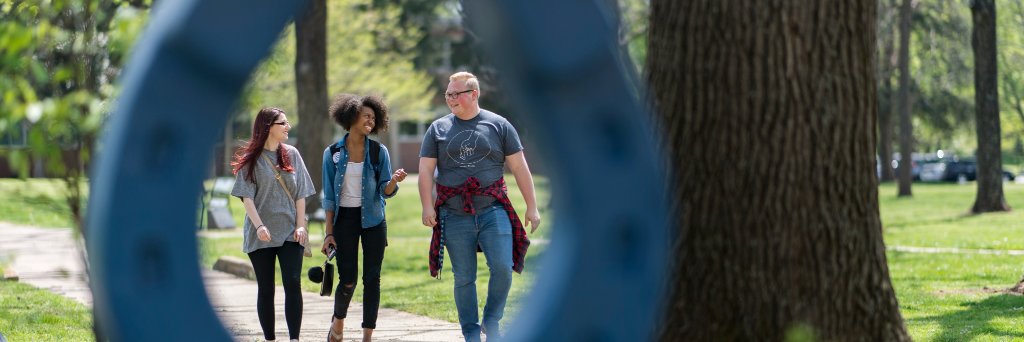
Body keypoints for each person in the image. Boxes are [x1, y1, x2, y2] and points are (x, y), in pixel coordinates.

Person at [419, 72, 541, 342]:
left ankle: (492, 320)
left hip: (492, 209)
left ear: (474, 94)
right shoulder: (437, 129)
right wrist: (428, 207)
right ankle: (471, 332)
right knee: (464, 277)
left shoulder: (499, 125)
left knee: (502, 266)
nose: (451, 99)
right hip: (452, 213)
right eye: (448, 94)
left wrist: (532, 206)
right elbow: (426, 170)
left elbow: (519, 166)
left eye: (456, 94)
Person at [320, 94, 407, 342]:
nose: (370, 120)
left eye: (373, 117)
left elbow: (385, 192)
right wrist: (329, 233)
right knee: (347, 279)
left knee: (372, 278)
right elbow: (329, 198)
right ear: (351, 117)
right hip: (344, 220)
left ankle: (367, 336)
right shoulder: (333, 153)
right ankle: (338, 323)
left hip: (374, 221)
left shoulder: (380, 152)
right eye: (365, 115)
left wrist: (393, 181)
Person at [230, 107, 316, 342]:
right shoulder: (251, 160)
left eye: (288, 123)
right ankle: (270, 339)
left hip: (290, 231)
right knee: (266, 288)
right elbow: (247, 198)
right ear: (268, 127)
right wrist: (259, 226)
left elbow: (300, 194)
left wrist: (300, 225)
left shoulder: (292, 154)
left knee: (292, 282)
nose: (288, 127)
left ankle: (294, 339)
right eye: (283, 123)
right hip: (261, 234)